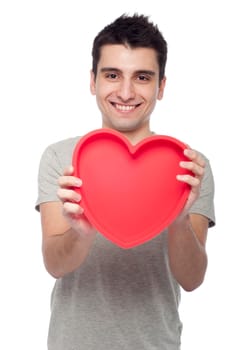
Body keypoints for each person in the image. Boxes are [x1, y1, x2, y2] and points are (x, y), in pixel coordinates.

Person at [36, 14, 215, 350]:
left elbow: (192, 279)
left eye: (143, 77)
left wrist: (178, 218)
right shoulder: (61, 158)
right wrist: (82, 234)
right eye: (113, 75)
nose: (126, 91)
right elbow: (54, 264)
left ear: (161, 86)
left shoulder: (188, 166)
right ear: (93, 81)